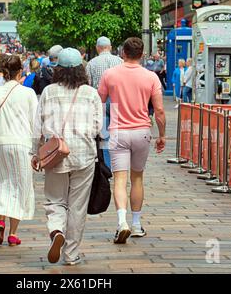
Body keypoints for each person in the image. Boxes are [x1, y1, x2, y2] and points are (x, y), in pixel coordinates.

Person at [31, 48, 103, 266]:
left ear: (58, 69)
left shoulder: (49, 92)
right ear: (81, 69)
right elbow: (99, 126)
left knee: (55, 199)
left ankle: (56, 230)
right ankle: (71, 255)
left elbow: (38, 126)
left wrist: (35, 152)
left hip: (55, 154)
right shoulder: (91, 93)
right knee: (77, 205)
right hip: (84, 154)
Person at [98, 37, 166, 243]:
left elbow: (98, 103)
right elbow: (160, 111)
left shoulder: (110, 74)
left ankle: (122, 223)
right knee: (137, 178)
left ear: (123, 53)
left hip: (118, 131)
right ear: (142, 54)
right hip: (141, 131)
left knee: (119, 179)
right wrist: (162, 135)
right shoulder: (151, 77)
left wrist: (99, 129)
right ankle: (136, 224)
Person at [0, 55, 38, 246]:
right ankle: (13, 233)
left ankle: (0, 221)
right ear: (20, 72)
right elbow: (36, 124)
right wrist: (37, 151)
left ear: (3, 72)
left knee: (0, 184)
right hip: (21, 143)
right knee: (21, 187)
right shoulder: (28, 94)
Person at [86, 36, 123, 170]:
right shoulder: (120, 61)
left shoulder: (91, 63)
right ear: (110, 47)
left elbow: (88, 85)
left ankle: (107, 167)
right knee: (117, 134)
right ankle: (118, 164)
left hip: (99, 102)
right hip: (117, 101)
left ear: (97, 48)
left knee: (104, 137)